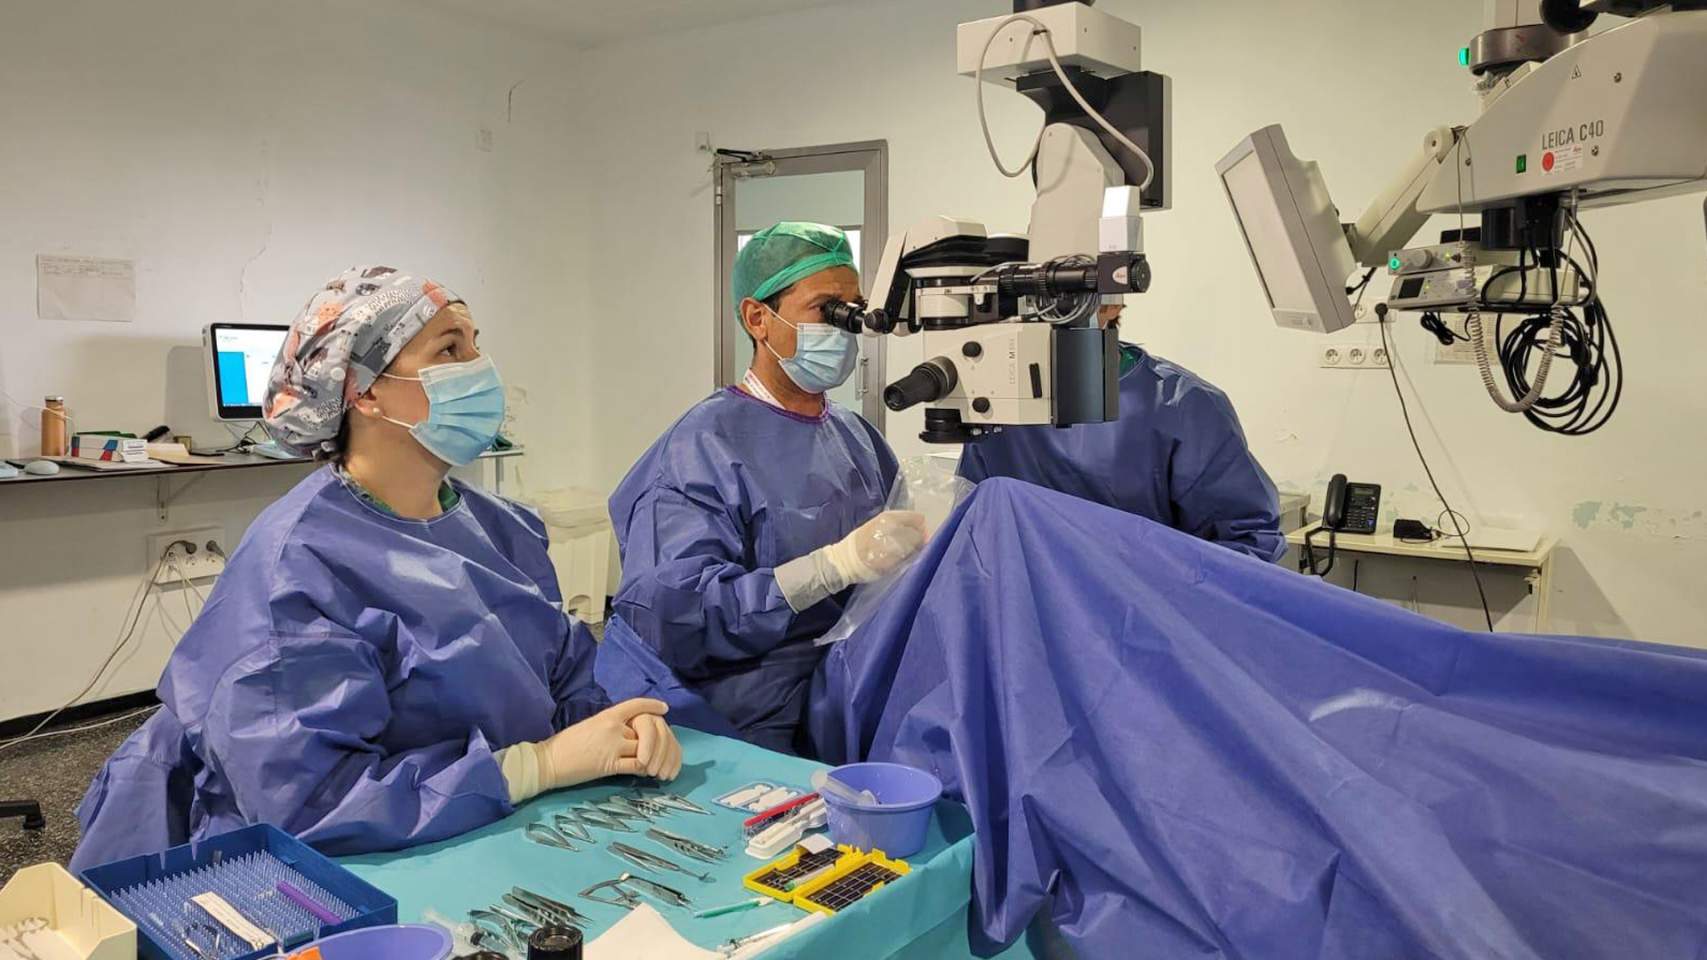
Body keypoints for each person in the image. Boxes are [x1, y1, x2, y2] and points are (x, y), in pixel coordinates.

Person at [71, 266, 680, 871]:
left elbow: (565, 674)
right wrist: (535, 766)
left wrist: (618, 727)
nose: (480, 368)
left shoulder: (501, 527)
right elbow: (307, 804)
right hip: (351, 863)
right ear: (362, 391)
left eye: (476, 344)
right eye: (449, 349)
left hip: (506, 827)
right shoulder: (297, 566)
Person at [607, 222, 925, 753]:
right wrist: (832, 567)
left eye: (853, 308)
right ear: (758, 318)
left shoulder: (855, 436)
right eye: (826, 309)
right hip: (754, 713)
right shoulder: (702, 445)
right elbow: (678, 616)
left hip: (855, 681)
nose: (845, 327)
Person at [956, 300, 1285, 562]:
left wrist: (1142, 590)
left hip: (1145, 615)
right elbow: (972, 528)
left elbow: (1247, 543)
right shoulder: (997, 404)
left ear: (1111, 305)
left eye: (1061, 301)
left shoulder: (1182, 406)